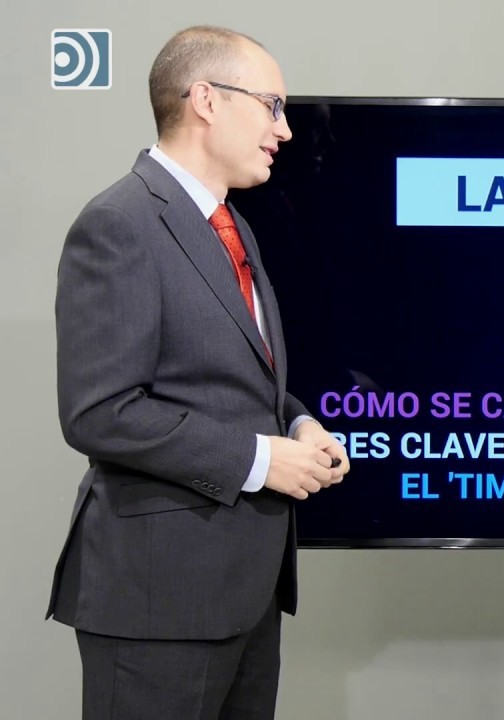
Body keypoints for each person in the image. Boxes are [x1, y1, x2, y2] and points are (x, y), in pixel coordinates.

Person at [47, 25, 350, 719]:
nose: (286, 129)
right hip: (159, 601)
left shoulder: (232, 225)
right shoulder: (119, 223)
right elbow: (100, 411)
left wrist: (298, 422)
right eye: (272, 106)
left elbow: (230, 372)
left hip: (246, 595)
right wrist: (259, 460)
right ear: (206, 100)